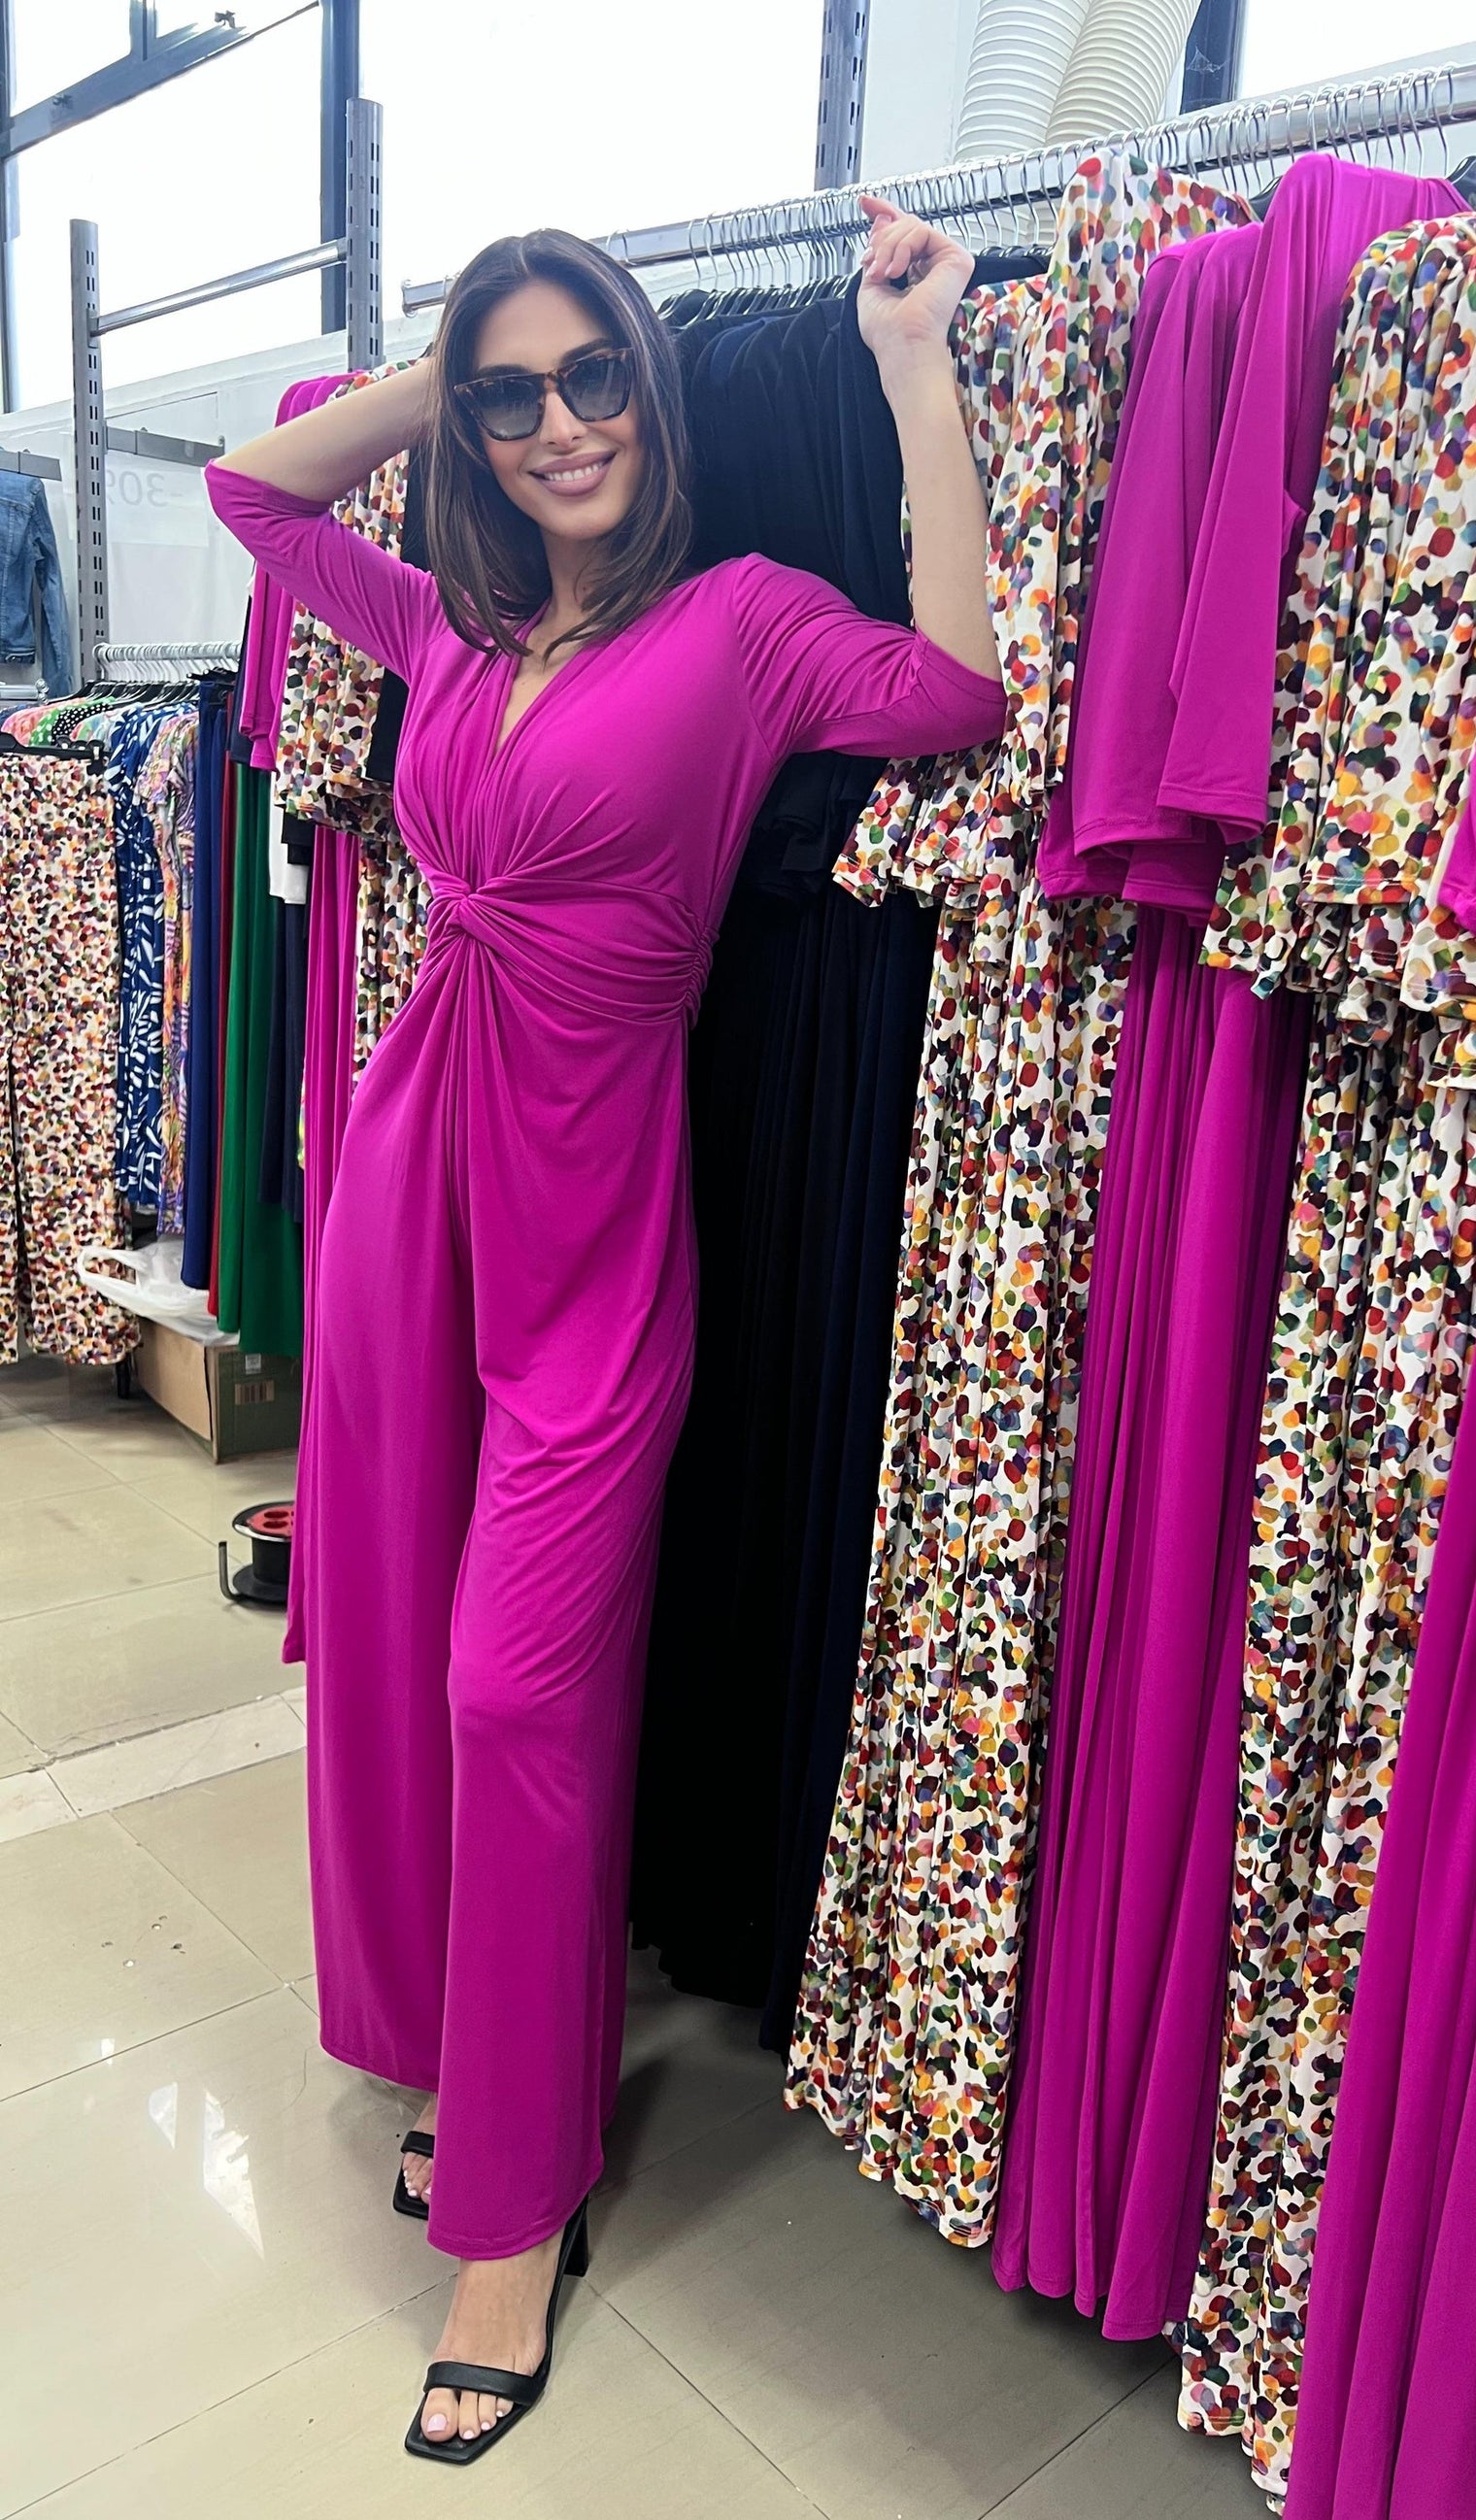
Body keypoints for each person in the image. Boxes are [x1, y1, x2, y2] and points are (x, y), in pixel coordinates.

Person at [208, 198, 1003, 2465]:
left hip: (592, 1222)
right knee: (391, 1647)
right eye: (510, 390)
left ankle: (516, 2212)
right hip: (403, 1192)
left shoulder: (747, 627)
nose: (558, 421)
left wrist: (913, 367)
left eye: (590, 375)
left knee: (517, 1678)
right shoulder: (454, 629)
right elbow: (252, 495)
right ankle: (472, 2059)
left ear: (652, 390)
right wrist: (425, 356)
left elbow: (960, 688)